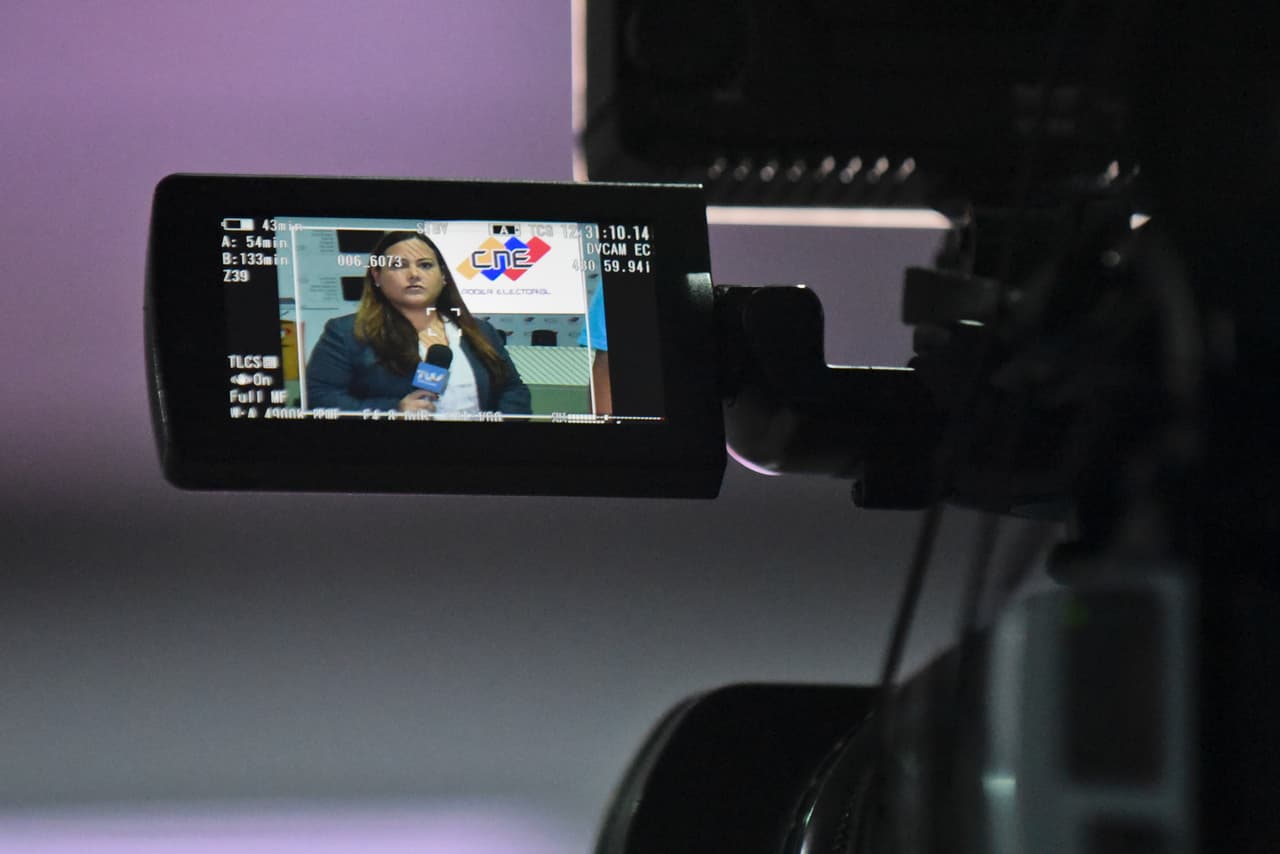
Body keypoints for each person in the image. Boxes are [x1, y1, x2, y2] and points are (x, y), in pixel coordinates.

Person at [306, 230, 531, 415]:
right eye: (398, 265)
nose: (414, 274)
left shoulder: (480, 331)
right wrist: (394, 410)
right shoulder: (345, 333)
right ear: (376, 276)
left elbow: (514, 390)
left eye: (425, 265)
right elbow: (320, 398)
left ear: (443, 276)